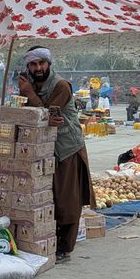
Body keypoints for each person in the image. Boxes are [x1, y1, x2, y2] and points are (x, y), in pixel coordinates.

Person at [18, 47, 96, 263]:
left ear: (49, 64)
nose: (38, 68)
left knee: (66, 199)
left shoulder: (61, 86)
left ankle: (65, 247)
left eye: (41, 63)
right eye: (33, 65)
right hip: (44, 148)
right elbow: (33, 115)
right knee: (47, 195)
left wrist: (30, 95)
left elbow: (47, 113)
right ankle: (47, 241)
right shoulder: (29, 85)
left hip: (66, 148)